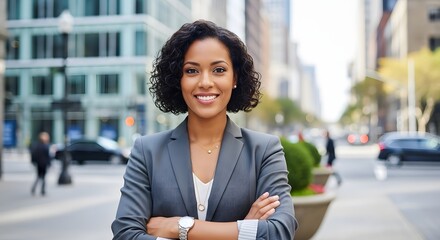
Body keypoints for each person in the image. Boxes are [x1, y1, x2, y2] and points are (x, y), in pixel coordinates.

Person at [112, 20, 297, 240]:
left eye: (219, 70)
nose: (205, 82)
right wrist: (244, 230)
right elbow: (125, 235)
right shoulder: (147, 151)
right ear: (177, 79)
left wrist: (180, 227)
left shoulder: (264, 150)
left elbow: (280, 232)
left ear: (235, 78)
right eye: (191, 71)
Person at [30, 132, 52, 196]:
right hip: (44, 164)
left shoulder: (36, 145)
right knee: (43, 177)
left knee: (38, 177)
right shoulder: (46, 146)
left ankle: (34, 188)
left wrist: (34, 162)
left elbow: (33, 155)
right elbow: (48, 156)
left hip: (39, 164)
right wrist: (49, 163)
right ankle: (42, 190)